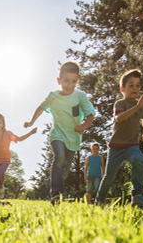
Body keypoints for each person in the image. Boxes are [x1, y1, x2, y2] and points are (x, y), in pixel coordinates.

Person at [24, 61, 95, 205]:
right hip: (57, 134)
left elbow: (90, 115)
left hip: (73, 138)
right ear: (59, 80)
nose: (70, 85)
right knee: (60, 157)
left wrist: (84, 126)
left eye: (74, 81)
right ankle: (55, 192)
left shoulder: (80, 96)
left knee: (65, 170)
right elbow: (41, 107)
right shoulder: (54, 96)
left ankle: (59, 187)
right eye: (66, 81)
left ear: (77, 81)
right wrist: (32, 122)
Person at [95, 69, 143, 208]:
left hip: (132, 145)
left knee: (138, 159)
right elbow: (119, 118)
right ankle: (100, 200)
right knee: (109, 177)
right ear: (122, 89)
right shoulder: (120, 104)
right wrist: (138, 106)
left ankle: (137, 196)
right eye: (131, 85)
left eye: (138, 85)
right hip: (116, 147)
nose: (135, 88)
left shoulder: (142, 105)